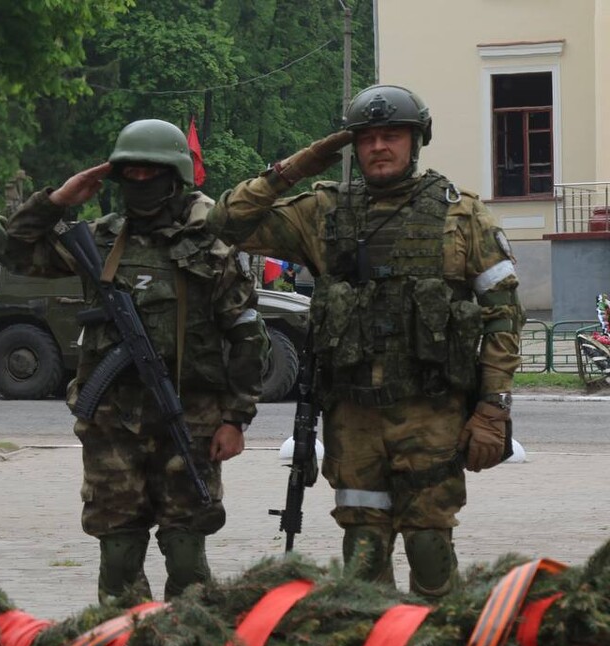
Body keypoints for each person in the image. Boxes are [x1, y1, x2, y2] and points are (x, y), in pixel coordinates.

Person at [208, 84, 524, 597]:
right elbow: (225, 223)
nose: (379, 146)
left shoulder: (461, 214)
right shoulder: (322, 211)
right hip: (352, 419)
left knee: (429, 549)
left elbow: (504, 315)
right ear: (353, 146)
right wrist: (294, 167)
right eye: (367, 137)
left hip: (431, 414)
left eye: (392, 135)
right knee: (363, 556)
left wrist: (493, 408)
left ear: (415, 141)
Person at [0, 119, 267, 604]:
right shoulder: (95, 241)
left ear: (175, 176)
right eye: (130, 174)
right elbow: (10, 248)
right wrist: (58, 200)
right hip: (113, 427)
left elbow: (247, 336)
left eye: (150, 173)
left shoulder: (210, 244)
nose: (140, 184)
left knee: (186, 558)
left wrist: (236, 419)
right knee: (118, 559)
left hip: (191, 422)